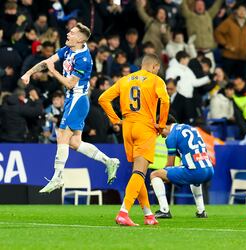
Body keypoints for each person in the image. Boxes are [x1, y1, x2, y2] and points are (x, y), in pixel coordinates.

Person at [20, 23, 120, 193]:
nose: (68, 34)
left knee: (62, 136)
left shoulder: (84, 58)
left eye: (72, 33)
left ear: (80, 39)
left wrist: (53, 71)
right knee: (74, 142)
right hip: (70, 99)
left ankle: (57, 177)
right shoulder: (68, 49)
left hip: (78, 99)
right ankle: (109, 161)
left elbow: (70, 83)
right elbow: (47, 62)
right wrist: (29, 73)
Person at [98, 53, 170, 226]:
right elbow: (165, 101)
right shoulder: (155, 80)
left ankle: (148, 215)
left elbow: (103, 99)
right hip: (145, 127)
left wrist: (115, 120)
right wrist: (161, 124)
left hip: (127, 128)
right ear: (154, 67)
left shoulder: (125, 80)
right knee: (139, 172)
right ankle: (123, 212)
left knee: (138, 173)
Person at [150, 115, 214, 218]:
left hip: (196, 171)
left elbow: (169, 165)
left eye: (159, 131)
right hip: (209, 169)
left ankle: (164, 210)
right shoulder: (190, 128)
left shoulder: (171, 137)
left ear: (164, 126)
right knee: (194, 177)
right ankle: (201, 211)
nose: (160, 135)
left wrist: (165, 178)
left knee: (155, 174)